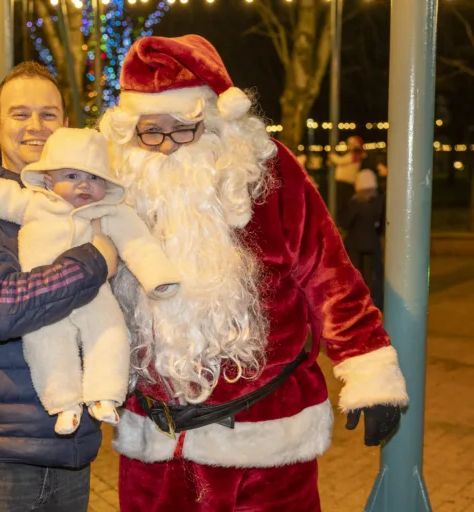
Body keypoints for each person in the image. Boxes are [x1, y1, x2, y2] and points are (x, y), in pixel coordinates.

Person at [98, 35, 408, 511]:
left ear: (214, 121)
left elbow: (328, 273)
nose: (166, 147)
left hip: (265, 445)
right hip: (154, 447)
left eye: (183, 129)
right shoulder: (117, 188)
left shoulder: (269, 173)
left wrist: (369, 373)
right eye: (150, 132)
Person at [0, 62, 118, 511]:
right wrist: (95, 261)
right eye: (20, 115)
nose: (35, 126)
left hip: (69, 450)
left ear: (66, 127)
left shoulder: (83, 199)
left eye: (48, 114)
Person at [0, 127, 178, 435]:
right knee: (46, 344)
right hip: (46, 297)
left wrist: (159, 278)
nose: (84, 186)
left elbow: (138, 243)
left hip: (94, 294)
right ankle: (64, 405)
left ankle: (104, 395)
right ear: (49, 181)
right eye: (72, 177)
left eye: (93, 178)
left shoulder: (110, 212)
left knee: (111, 334)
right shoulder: (33, 203)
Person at [339, 169, 385, 310]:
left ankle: (355, 302)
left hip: (355, 243)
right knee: (375, 273)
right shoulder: (379, 202)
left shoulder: (355, 203)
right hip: (373, 242)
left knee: (354, 274)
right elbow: (382, 224)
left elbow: (344, 223)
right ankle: (376, 301)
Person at [329, 135, 367, 223]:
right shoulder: (353, 155)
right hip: (344, 183)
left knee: (341, 203)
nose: (349, 145)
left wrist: (332, 156)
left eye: (352, 144)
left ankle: (340, 222)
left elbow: (340, 161)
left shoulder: (354, 155)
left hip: (345, 183)